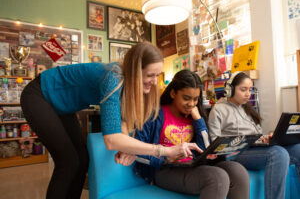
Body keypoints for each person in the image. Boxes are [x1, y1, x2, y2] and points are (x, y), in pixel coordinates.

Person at [20, 42, 201, 199]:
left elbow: (122, 124)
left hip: (64, 107)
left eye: (157, 75)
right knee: (68, 161)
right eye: (150, 75)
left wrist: (129, 148)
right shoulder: (113, 78)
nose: (155, 81)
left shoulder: (127, 84)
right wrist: (163, 151)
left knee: (82, 159)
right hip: (39, 95)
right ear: (135, 71)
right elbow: (111, 139)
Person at [131, 70, 250, 199]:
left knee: (237, 171)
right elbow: (137, 151)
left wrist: (198, 120)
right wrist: (165, 158)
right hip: (164, 169)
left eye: (195, 99)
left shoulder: (194, 116)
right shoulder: (154, 115)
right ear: (173, 93)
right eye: (186, 98)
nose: (191, 104)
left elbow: (205, 149)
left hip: (192, 165)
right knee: (217, 178)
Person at [208, 71, 300, 199]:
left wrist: (267, 138)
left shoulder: (246, 108)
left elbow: (258, 133)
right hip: (236, 153)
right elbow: (215, 142)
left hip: (255, 148)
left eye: (250, 89)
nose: (248, 94)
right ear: (230, 89)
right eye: (243, 89)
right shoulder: (218, 110)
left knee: (298, 149)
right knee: (278, 153)